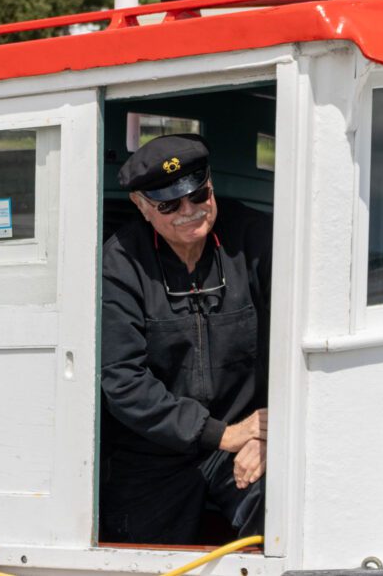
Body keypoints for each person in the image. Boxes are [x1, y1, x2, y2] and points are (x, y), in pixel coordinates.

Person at [99, 133, 271, 544]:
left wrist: (274, 427)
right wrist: (217, 434)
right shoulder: (118, 264)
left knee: (285, 509)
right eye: (169, 204)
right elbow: (123, 380)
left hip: (244, 432)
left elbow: (300, 340)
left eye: (199, 194)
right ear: (141, 206)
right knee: (134, 555)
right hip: (152, 452)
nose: (189, 211)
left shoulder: (256, 239)